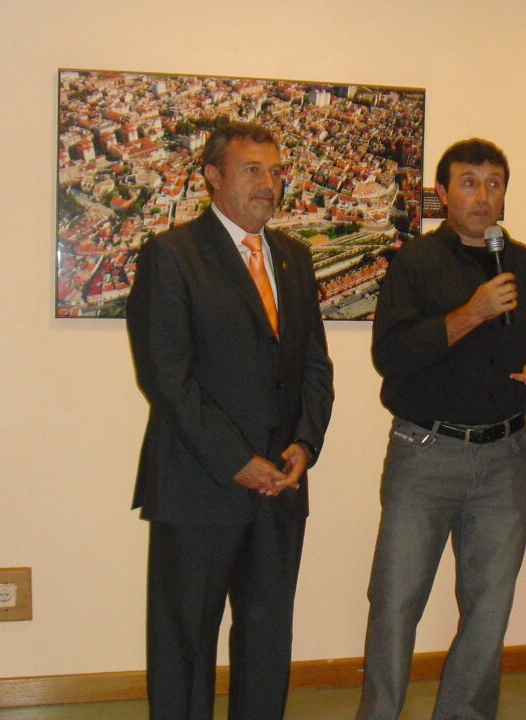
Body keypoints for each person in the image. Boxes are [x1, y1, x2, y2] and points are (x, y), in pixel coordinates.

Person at [355, 138, 526, 720]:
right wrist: (472, 312)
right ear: (443, 193)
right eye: (469, 182)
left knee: (489, 607)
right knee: (395, 604)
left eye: (494, 182)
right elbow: (391, 355)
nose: (483, 195)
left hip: (505, 457)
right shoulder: (416, 262)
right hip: (424, 452)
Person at [126, 122, 334, 720]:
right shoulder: (171, 256)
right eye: (252, 171)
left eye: (275, 171)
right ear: (213, 176)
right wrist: (238, 461)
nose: (268, 185)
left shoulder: (294, 259)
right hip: (198, 487)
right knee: (185, 646)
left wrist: (304, 444)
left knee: (268, 643)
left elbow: (314, 366)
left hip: (281, 492)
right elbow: (167, 378)